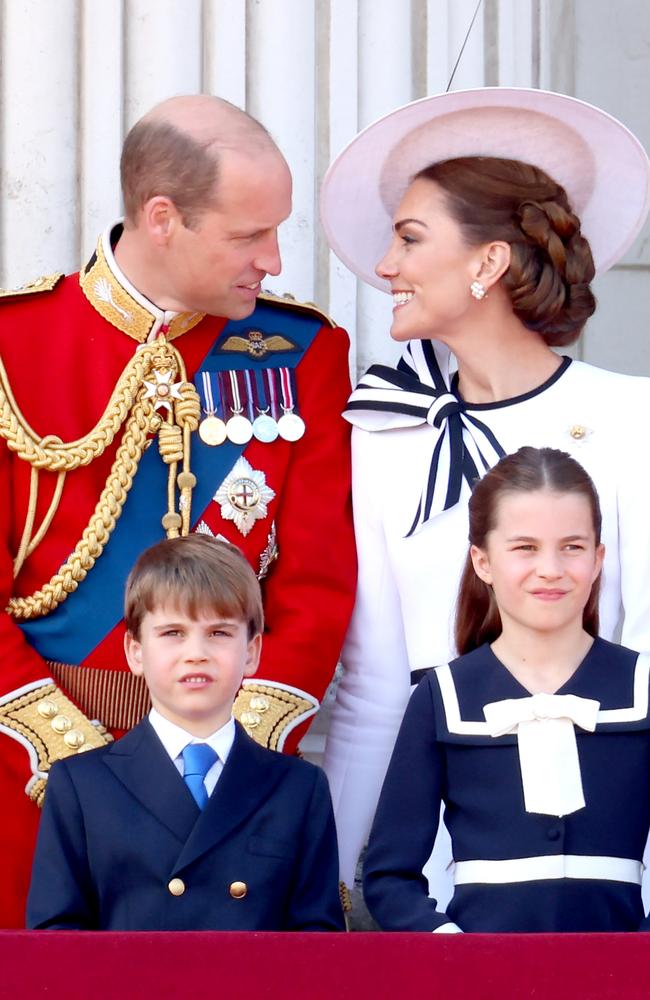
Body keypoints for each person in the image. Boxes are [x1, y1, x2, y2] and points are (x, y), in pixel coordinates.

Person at [0, 94, 355, 927]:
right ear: (162, 218)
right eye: (247, 235)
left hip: (230, 775)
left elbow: (318, 582)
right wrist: (64, 751)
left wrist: (239, 748)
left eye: (278, 231)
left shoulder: (303, 352)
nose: (273, 258)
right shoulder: (16, 346)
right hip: (32, 763)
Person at [319, 87, 650, 896]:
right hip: (434, 861)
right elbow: (372, 690)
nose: (386, 266)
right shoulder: (383, 433)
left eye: (408, 239)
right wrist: (329, 882)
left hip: (603, 855)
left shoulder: (631, 418)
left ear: (488, 262)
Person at [363, 447, 650, 932]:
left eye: (572, 547)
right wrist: (453, 953)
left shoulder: (641, 687)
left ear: (599, 558)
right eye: (525, 548)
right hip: (478, 978)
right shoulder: (442, 696)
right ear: (483, 561)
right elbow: (390, 877)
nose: (551, 569)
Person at [26, 535, 344, 930]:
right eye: (172, 633)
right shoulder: (80, 785)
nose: (196, 652)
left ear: (252, 652)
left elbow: (316, 946)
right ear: (135, 651)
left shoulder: (298, 788)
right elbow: (57, 944)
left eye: (219, 633)